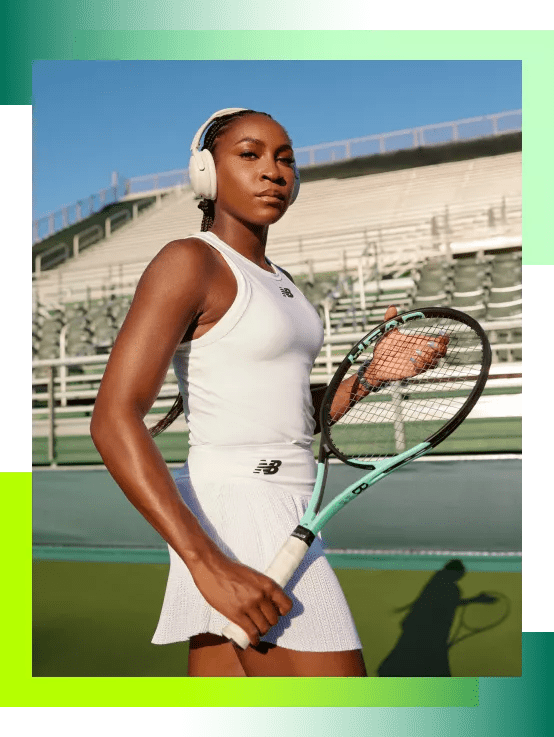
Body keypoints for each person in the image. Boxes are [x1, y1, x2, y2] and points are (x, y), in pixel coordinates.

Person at [91, 108, 447, 677]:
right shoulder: (189, 261)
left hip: (286, 508)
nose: (273, 172)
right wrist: (208, 562)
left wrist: (371, 375)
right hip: (237, 513)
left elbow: (291, 417)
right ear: (206, 173)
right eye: (250, 155)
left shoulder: (282, 283)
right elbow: (113, 418)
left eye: (285, 159)